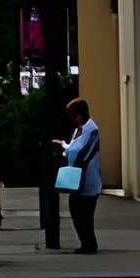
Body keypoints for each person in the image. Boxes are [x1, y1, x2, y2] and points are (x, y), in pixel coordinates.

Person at [54, 98, 102, 253]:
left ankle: (89, 244)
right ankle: (87, 243)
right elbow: (74, 149)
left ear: (80, 115)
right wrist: (65, 146)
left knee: (84, 214)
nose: (71, 119)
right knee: (76, 210)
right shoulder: (79, 130)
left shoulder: (92, 130)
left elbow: (85, 153)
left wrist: (72, 158)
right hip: (77, 179)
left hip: (87, 180)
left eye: (72, 115)